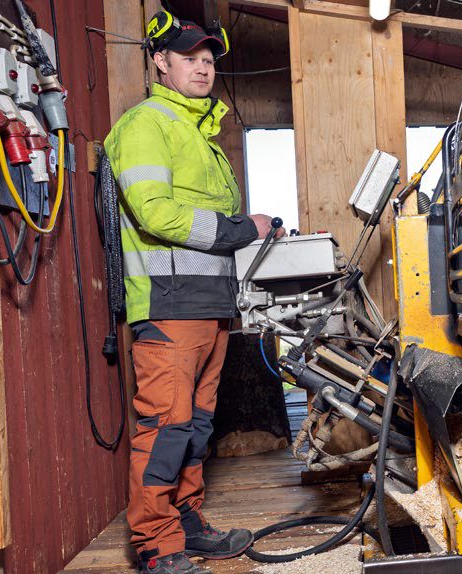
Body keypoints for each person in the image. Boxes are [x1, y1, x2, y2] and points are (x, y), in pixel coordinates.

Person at [104, 13, 282, 574]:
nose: (203, 67)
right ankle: (157, 546)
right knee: (166, 428)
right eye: (189, 58)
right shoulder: (146, 124)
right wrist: (241, 229)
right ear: (161, 61)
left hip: (209, 307)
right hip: (168, 304)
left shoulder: (200, 135)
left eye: (208, 59)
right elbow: (155, 213)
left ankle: (187, 522)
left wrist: (252, 232)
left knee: (197, 427)